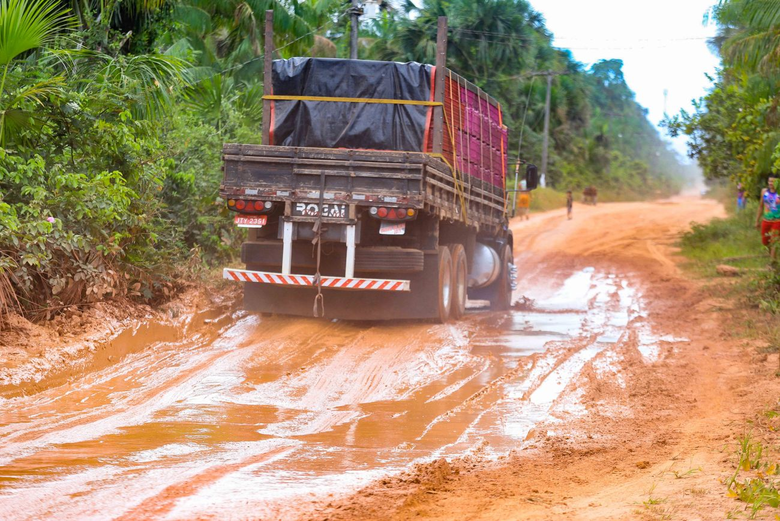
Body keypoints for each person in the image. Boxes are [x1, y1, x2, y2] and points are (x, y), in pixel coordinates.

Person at [756, 177, 780, 258]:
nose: (770, 183)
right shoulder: (764, 191)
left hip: (777, 221)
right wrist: (757, 221)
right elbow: (760, 206)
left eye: (773, 181)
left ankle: (773, 261)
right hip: (766, 221)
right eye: (769, 181)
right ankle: (772, 256)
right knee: (765, 241)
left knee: (774, 241)